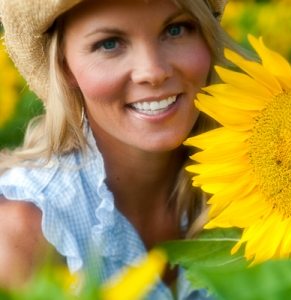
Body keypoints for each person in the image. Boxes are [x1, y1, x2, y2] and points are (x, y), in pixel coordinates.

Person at [0, 0, 232, 298]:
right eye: (109, 44)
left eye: (176, 29)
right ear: (63, 65)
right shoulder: (21, 233)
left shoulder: (266, 173)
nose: (153, 71)